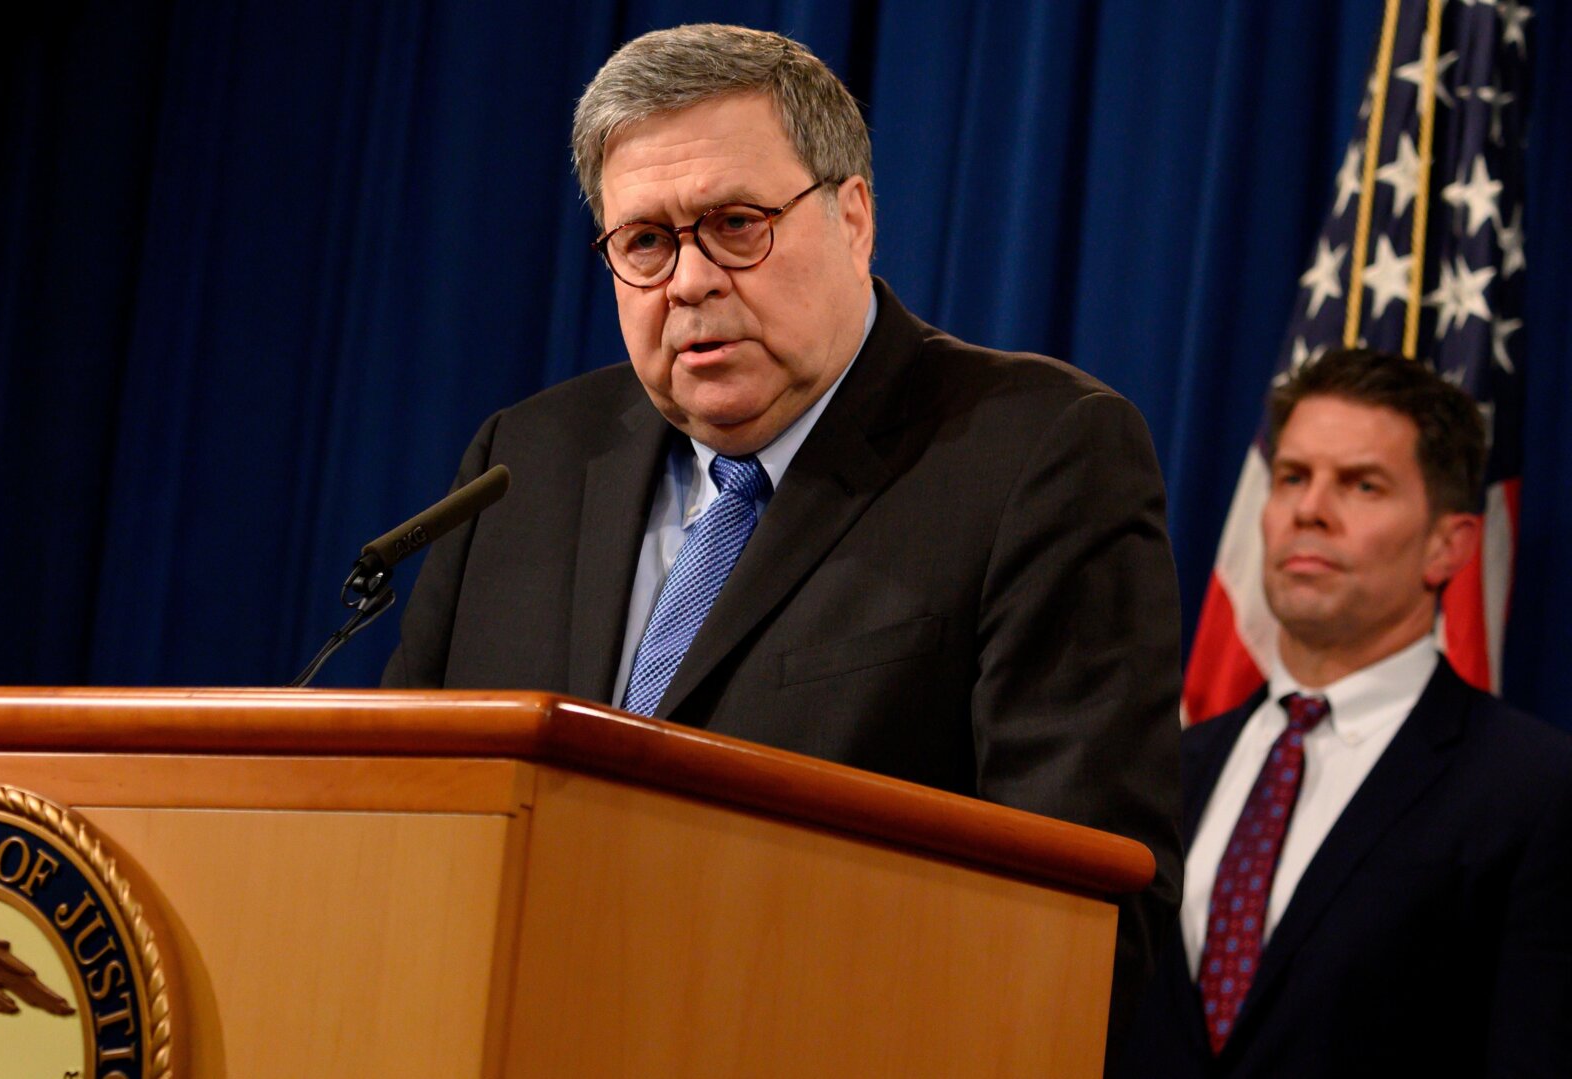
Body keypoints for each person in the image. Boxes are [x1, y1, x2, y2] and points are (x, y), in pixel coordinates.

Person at [382, 23, 1182, 1036]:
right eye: (646, 243)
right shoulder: (526, 461)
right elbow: (399, 824)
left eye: (735, 224)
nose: (691, 281)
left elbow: (1088, 910)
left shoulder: (1032, 453)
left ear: (854, 218)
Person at [1118, 348, 1572, 1076]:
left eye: (1362, 484)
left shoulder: (1536, 790)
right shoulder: (1164, 767)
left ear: (1448, 544)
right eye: (1293, 476)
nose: (1310, 509)